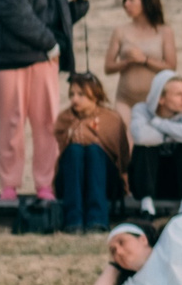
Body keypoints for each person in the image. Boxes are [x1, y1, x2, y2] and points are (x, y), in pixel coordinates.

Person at [0, 0, 90, 209]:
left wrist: (78, 4)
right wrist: (51, 43)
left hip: (44, 60)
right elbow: (20, 18)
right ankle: (9, 185)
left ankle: (46, 184)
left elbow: (54, 19)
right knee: (11, 123)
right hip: (10, 62)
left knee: (46, 124)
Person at [52, 72, 129, 233]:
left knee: (94, 151)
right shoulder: (64, 119)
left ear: (95, 95)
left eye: (81, 94)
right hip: (72, 179)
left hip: (105, 180)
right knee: (75, 150)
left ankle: (97, 219)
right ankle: (73, 221)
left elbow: (122, 155)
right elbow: (59, 155)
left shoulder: (111, 119)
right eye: (72, 94)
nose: (75, 99)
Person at [128, 70, 182, 214]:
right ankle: (147, 205)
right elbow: (140, 137)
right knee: (144, 147)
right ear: (161, 99)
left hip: (179, 181)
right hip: (151, 181)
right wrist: (175, 133)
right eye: (178, 94)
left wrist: (158, 124)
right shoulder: (141, 110)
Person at [102, 0, 178, 110]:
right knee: (125, 130)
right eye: (125, 0)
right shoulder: (120, 31)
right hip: (125, 99)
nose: (126, 4)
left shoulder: (164, 31)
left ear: (146, 2)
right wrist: (127, 62)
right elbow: (108, 68)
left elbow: (171, 67)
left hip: (156, 101)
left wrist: (144, 60)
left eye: (131, 0)